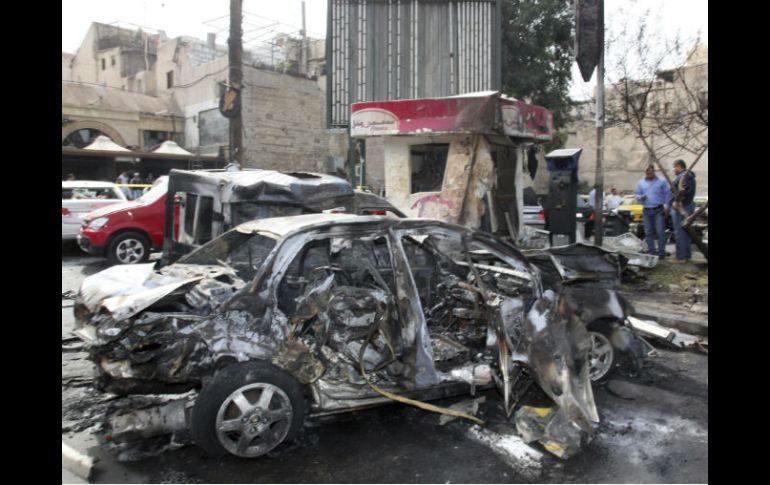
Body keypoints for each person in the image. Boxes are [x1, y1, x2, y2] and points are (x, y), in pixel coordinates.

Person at [634, 164, 670, 258]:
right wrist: (640, 197)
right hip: (646, 210)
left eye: (650, 171)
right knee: (648, 232)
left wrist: (667, 206)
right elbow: (637, 194)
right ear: (645, 172)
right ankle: (652, 252)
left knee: (660, 231)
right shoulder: (641, 183)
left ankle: (661, 253)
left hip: (658, 209)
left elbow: (667, 194)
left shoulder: (661, 181)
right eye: (647, 172)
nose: (648, 173)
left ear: (654, 171)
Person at [666, 159, 696, 263]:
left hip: (681, 207)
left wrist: (676, 201)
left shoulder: (685, 176)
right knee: (686, 232)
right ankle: (686, 256)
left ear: (679, 166)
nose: (674, 169)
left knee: (680, 233)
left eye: (674, 167)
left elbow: (684, 190)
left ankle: (681, 257)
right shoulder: (688, 176)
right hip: (685, 206)